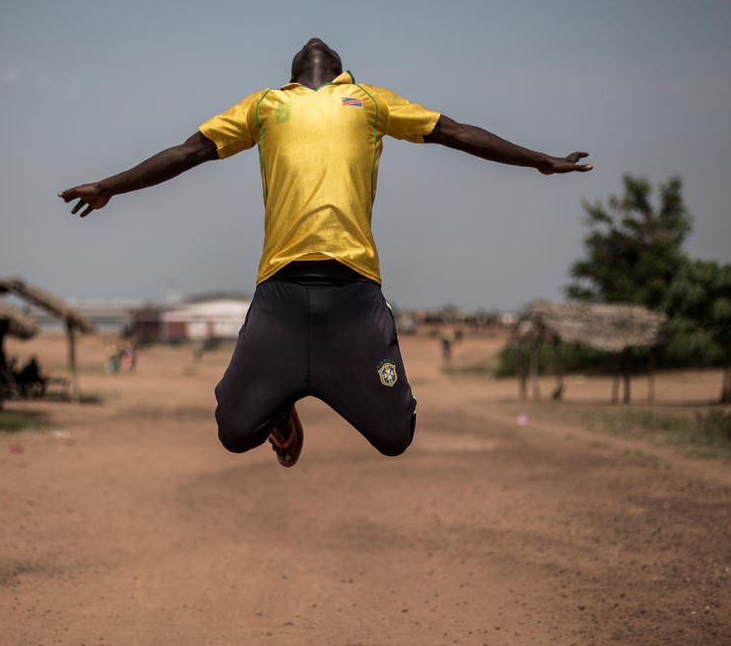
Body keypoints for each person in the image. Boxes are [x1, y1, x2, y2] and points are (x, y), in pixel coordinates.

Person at [60, 38, 591, 467]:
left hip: (354, 289)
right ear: (294, 75)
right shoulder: (265, 104)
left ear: (345, 74)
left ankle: (323, 380)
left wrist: (539, 160)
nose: (315, 41)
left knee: (395, 438)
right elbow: (187, 152)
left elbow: (454, 132)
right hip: (281, 290)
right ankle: (284, 406)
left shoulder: (371, 101)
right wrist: (110, 185)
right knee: (234, 432)